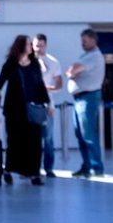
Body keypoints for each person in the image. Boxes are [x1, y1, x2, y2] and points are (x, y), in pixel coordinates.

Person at [0, 35, 50, 185]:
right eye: (28, 44)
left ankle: (34, 174)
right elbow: (1, 79)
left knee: (34, 142)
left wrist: (47, 103)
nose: (31, 47)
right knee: (14, 141)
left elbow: (40, 85)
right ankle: (8, 169)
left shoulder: (34, 64)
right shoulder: (11, 64)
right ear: (21, 46)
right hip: (14, 109)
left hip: (32, 108)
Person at [65, 27, 106, 177]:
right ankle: (86, 166)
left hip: (88, 97)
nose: (82, 44)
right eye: (81, 41)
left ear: (93, 41)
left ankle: (97, 167)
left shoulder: (94, 56)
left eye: (85, 41)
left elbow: (73, 70)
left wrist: (72, 72)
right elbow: (70, 69)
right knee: (80, 135)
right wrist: (72, 71)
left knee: (88, 133)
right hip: (79, 99)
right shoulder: (85, 55)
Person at [33, 34, 63, 177]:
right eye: (36, 45)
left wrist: (49, 90)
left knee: (48, 138)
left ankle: (49, 167)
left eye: (41, 45)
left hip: (46, 104)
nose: (39, 48)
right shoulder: (27, 62)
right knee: (31, 138)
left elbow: (59, 84)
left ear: (46, 45)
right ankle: (31, 168)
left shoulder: (53, 62)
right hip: (31, 105)